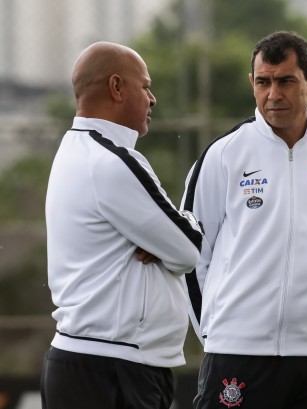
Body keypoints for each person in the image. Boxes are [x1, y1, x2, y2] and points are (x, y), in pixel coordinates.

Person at [181, 31, 307, 409]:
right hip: (237, 351)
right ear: (252, 83)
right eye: (263, 82)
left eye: (285, 81)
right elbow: (191, 254)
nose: (273, 95)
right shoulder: (223, 155)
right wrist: (218, 332)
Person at [42, 41, 204, 409]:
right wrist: (188, 223)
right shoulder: (112, 161)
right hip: (114, 368)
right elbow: (187, 249)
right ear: (116, 87)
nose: (153, 98)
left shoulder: (75, 149)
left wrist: (164, 238)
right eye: (144, 86)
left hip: (90, 361)